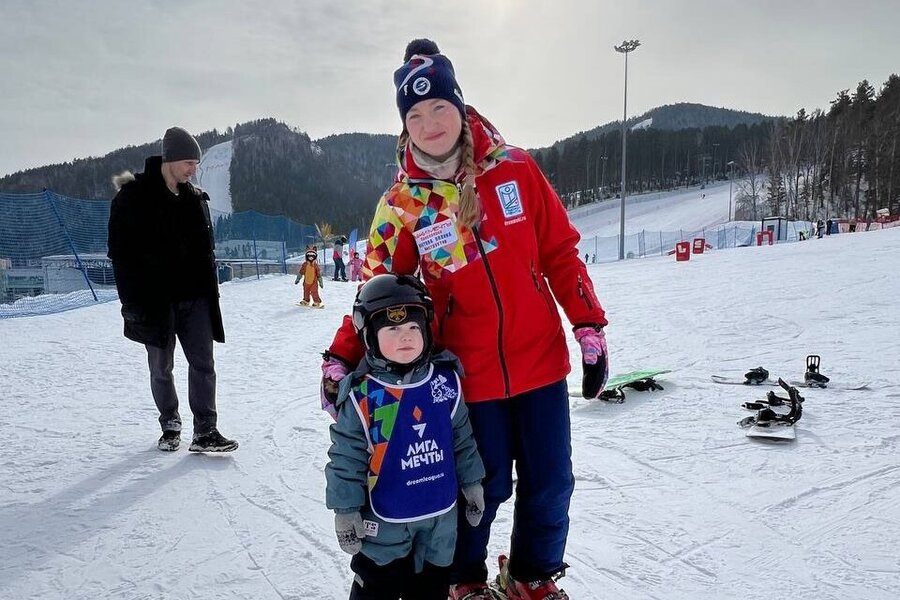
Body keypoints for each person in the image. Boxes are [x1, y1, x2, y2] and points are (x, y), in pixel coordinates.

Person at [320, 39, 608, 599]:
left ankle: (533, 577)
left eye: (440, 108)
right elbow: (377, 294)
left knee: (551, 484)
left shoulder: (517, 171)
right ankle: (465, 580)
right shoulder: (402, 205)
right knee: (484, 483)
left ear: (460, 107)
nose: (430, 123)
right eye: (416, 114)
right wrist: (342, 355)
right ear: (405, 125)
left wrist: (588, 325)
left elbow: (560, 253)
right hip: (468, 374)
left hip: (541, 362)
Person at [325, 273, 486, 600]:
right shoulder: (364, 395)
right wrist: (346, 509)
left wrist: (473, 482)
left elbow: (462, 440)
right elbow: (346, 458)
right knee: (378, 586)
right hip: (385, 525)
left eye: (413, 328)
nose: (406, 337)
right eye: (393, 329)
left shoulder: (444, 383)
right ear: (370, 336)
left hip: (440, 520)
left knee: (432, 588)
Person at [107, 126, 237, 453]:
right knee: (161, 367)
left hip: (196, 299)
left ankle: (206, 430)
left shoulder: (193, 199)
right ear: (171, 160)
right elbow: (119, 253)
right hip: (156, 302)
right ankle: (170, 423)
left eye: (195, 163)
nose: (194, 170)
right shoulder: (134, 197)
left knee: (204, 364)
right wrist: (132, 300)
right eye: (189, 163)